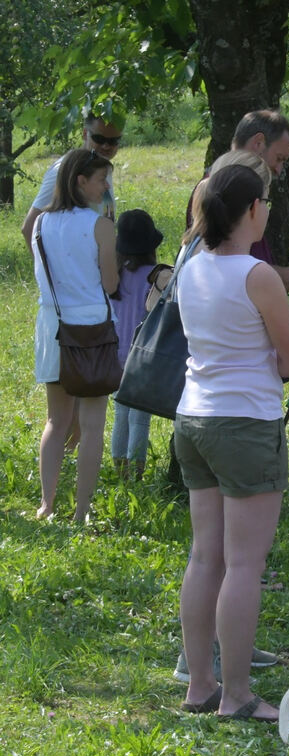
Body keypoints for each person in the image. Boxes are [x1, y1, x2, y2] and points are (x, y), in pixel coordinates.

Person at [174, 161, 289, 721]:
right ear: (250, 210)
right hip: (245, 424)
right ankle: (236, 695)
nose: (270, 210)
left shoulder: (190, 266)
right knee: (244, 566)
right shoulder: (257, 275)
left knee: (205, 557)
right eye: (266, 202)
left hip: (193, 419)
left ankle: (199, 685)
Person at [30, 148, 118, 523]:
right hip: (93, 328)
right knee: (94, 425)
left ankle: (46, 504)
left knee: (56, 419)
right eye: (101, 180)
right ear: (81, 182)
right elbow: (111, 283)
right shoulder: (100, 225)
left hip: (52, 325)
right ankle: (81, 512)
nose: (105, 187)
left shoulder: (40, 224)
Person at [185, 109, 289, 295]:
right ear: (258, 143)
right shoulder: (216, 190)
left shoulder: (223, 186)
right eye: (279, 159)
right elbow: (220, 264)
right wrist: (280, 276)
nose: (279, 170)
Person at [110, 209, 164, 480]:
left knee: (120, 415)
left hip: (115, 356)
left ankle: (119, 473)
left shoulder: (113, 276)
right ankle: (137, 475)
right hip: (144, 357)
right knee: (139, 418)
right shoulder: (154, 278)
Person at [22, 114, 122, 249]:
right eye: (99, 139)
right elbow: (29, 228)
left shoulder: (103, 168)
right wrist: (45, 269)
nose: (106, 146)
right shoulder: (64, 171)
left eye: (113, 141)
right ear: (85, 133)